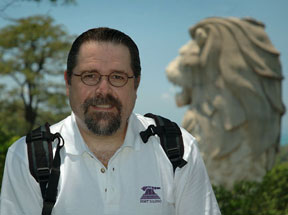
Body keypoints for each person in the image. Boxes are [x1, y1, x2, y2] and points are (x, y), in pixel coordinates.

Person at [0, 27, 221, 215]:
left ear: (136, 85)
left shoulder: (178, 149)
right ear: (68, 83)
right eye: (89, 76)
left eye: (117, 77)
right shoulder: (27, 157)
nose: (103, 90)